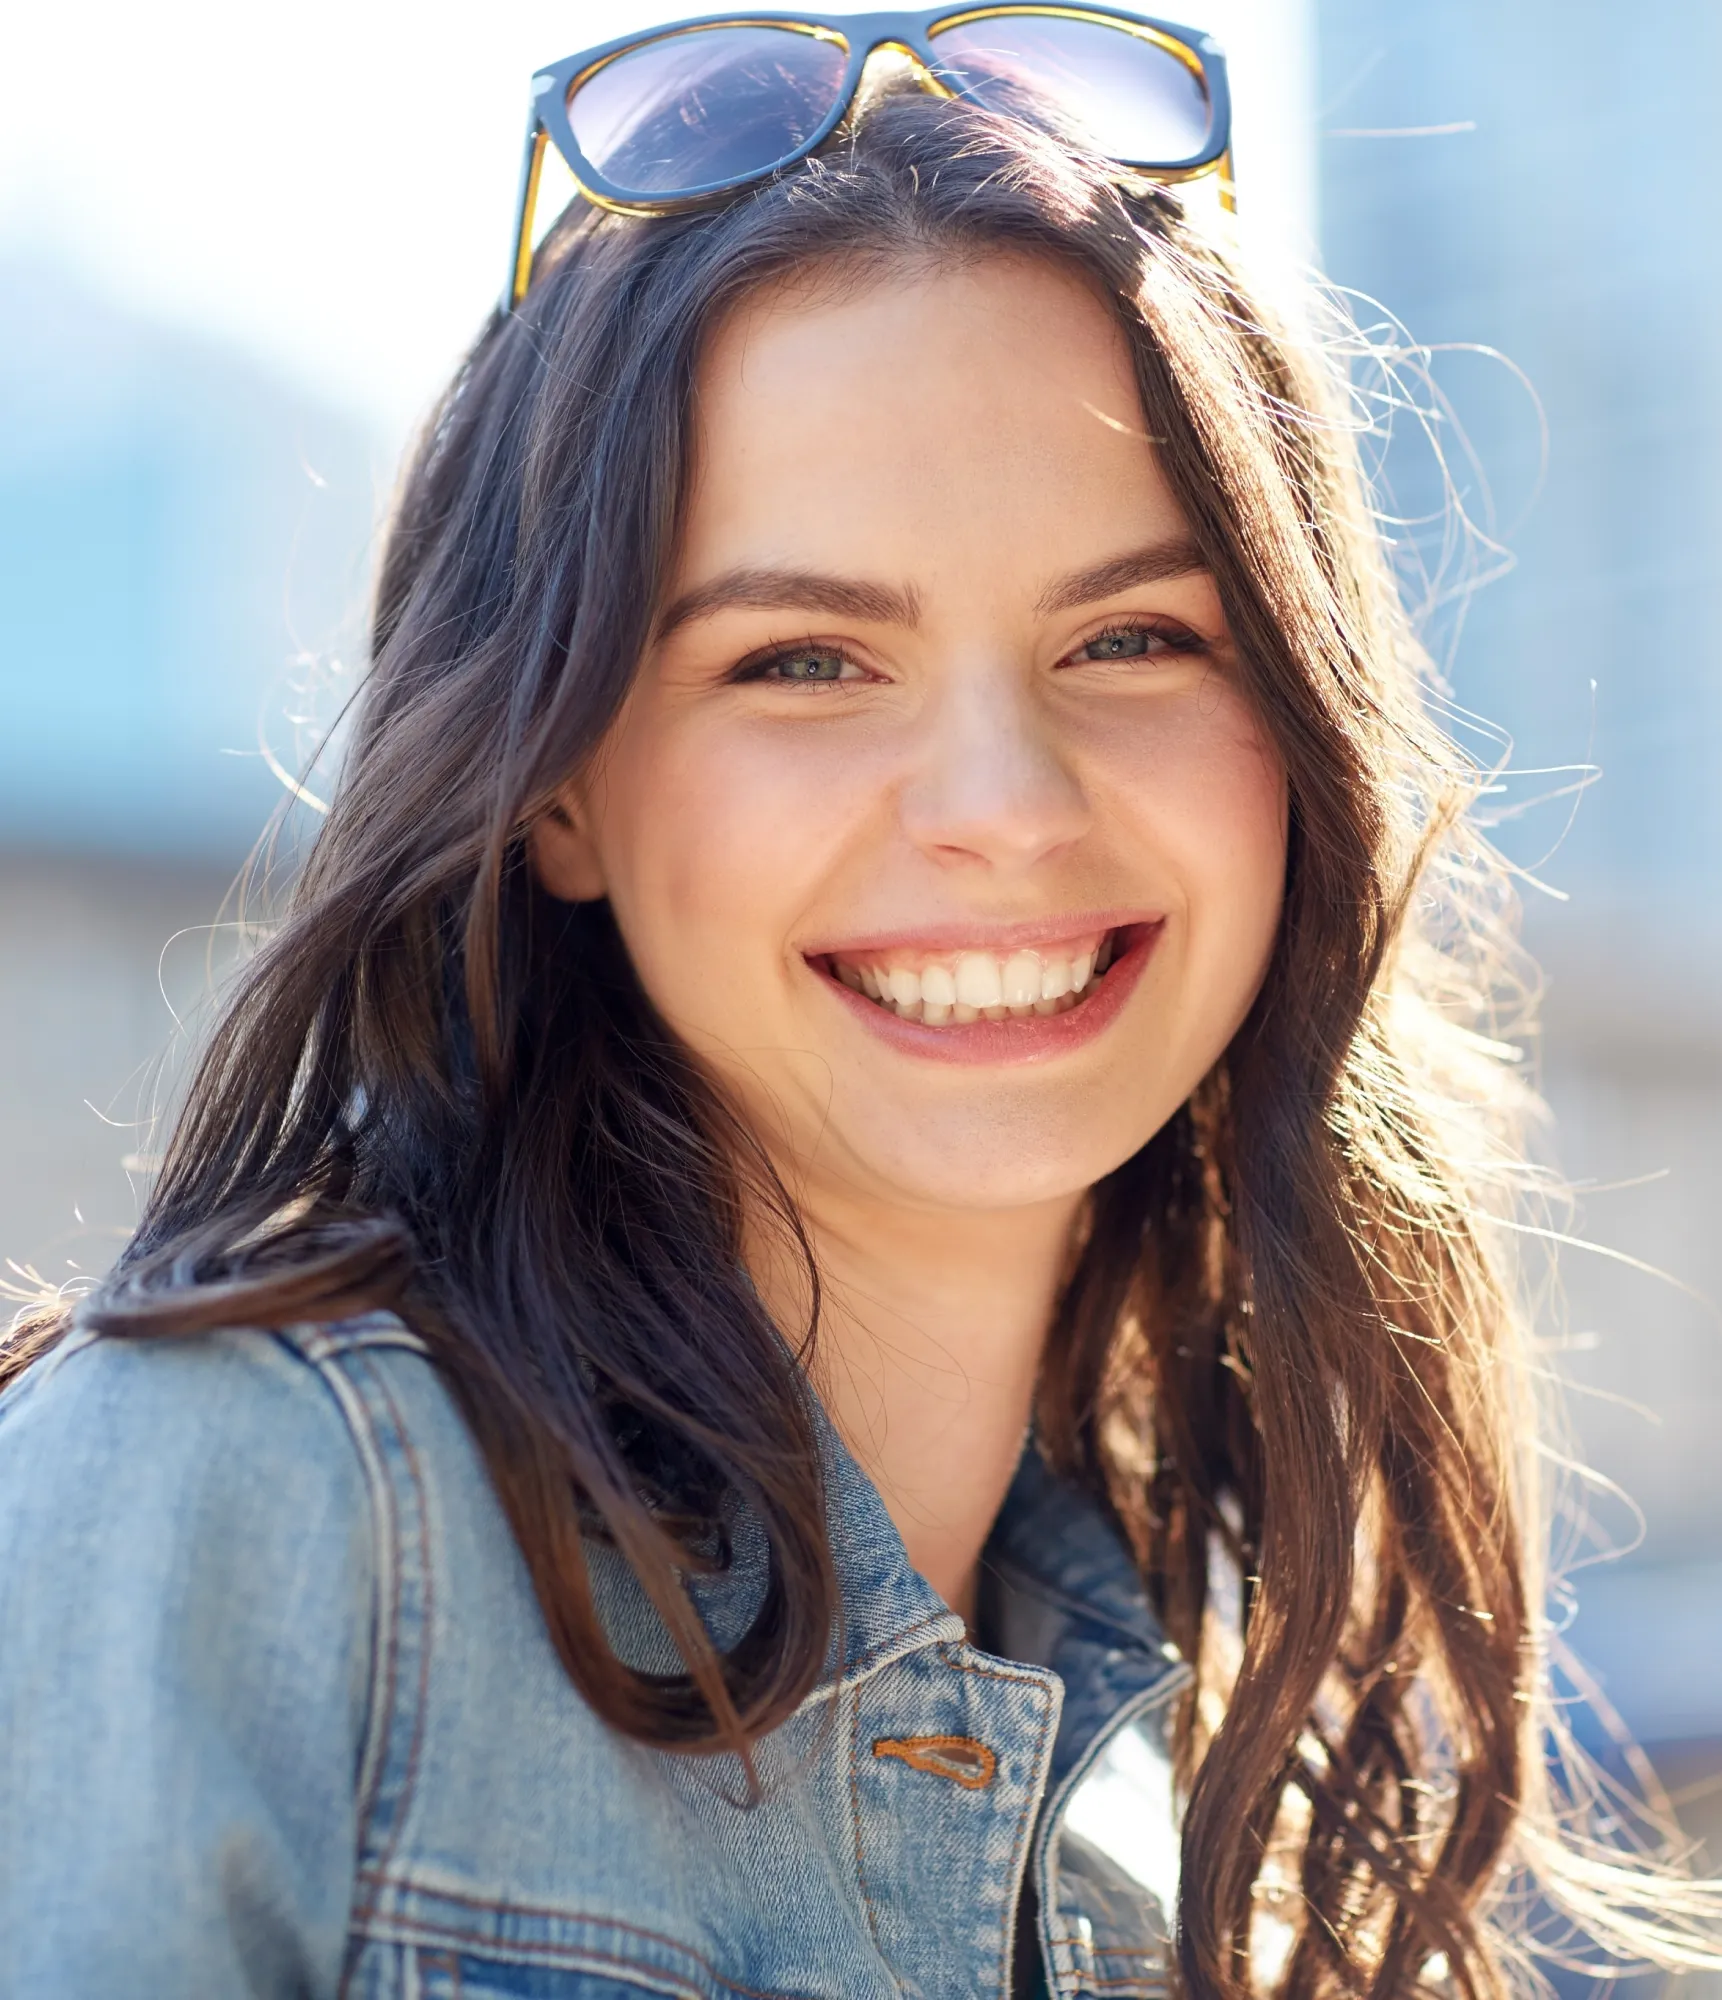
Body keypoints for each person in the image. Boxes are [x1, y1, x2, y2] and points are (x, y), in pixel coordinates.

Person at [1, 11, 1716, 1997]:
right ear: (554, 782)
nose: (1002, 806)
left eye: (1136, 635)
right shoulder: (251, 1507)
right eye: (806, 661)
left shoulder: (1194, 1767)